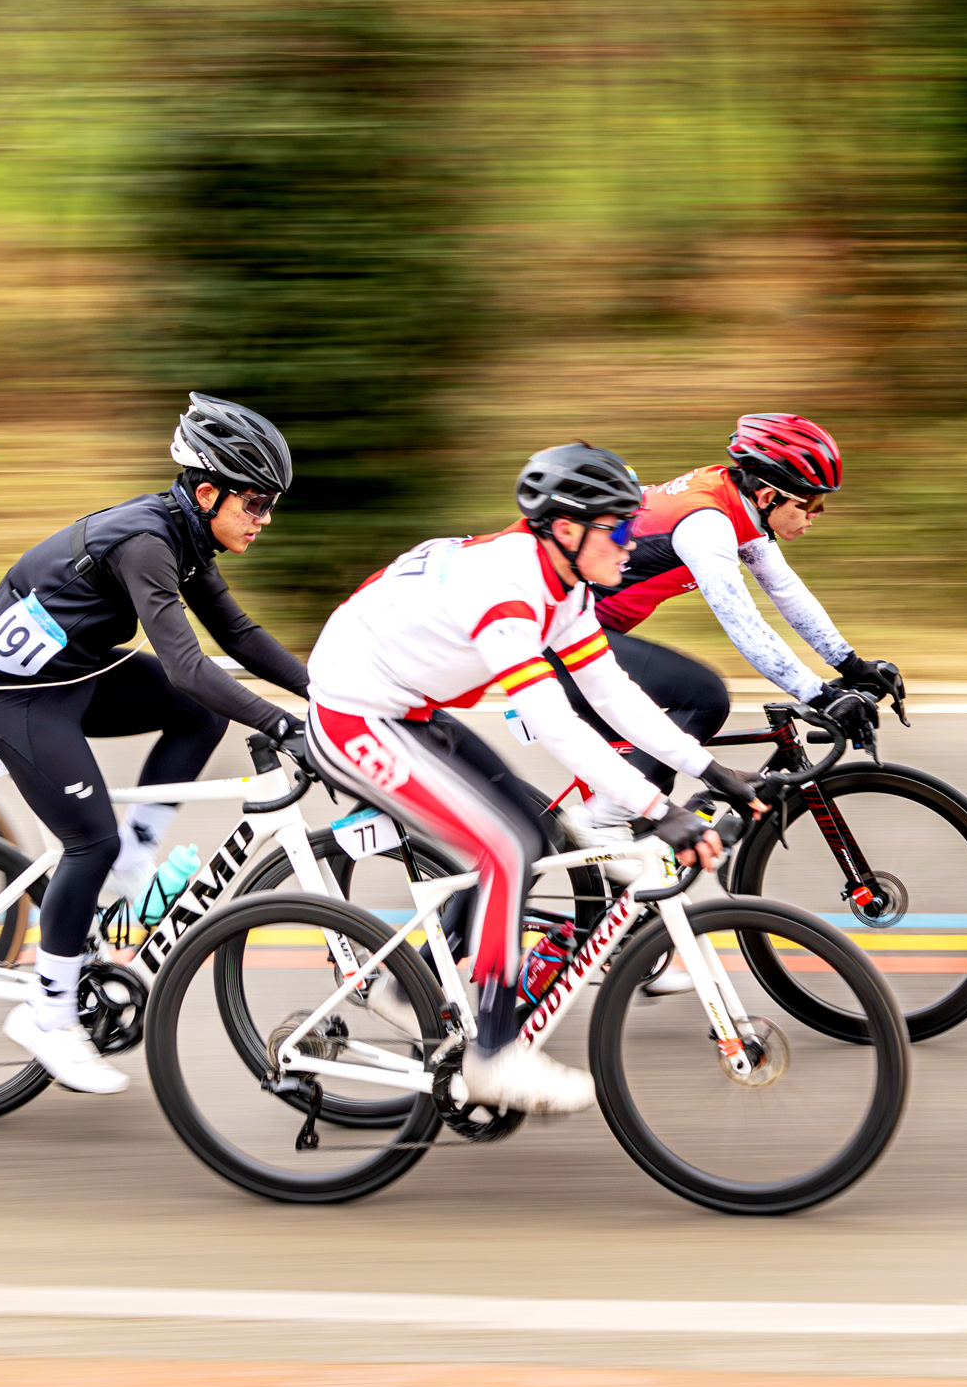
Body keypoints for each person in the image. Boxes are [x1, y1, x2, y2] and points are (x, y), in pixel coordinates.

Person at [305, 444, 763, 1115]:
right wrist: (658, 807)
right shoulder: (507, 589)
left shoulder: (565, 585)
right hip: (353, 713)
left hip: (407, 707)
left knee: (533, 833)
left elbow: (614, 694)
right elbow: (555, 724)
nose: (632, 543)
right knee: (507, 847)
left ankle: (407, 990)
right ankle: (494, 1056)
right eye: (619, 528)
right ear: (567, 529)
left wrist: (709, 768)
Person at [0, 394, 312, 1094]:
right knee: (88, 840)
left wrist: (327, 694)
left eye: (270, 504)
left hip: (75, 675)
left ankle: (134, 853)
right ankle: (48, 1016)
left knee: (198, 714)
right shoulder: (148, 542)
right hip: (17, 700)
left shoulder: (186, 535)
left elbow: (237, 635)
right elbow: (187, 664)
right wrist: (282, 724)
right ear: (207, 492)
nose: (264, 519)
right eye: (254, 503)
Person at [584, 412, 899, 848]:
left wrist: (851, 664)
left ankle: (625, 837)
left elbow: (785, 591)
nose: (815, 516)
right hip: (559, 635)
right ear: (769, 495)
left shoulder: (735, 503)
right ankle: (601, 821)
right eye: (810, 504)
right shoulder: (706, 524)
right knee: (703, 697)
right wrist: (820, 696)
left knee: (662, 755)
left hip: (586, 629)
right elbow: (744, 624)